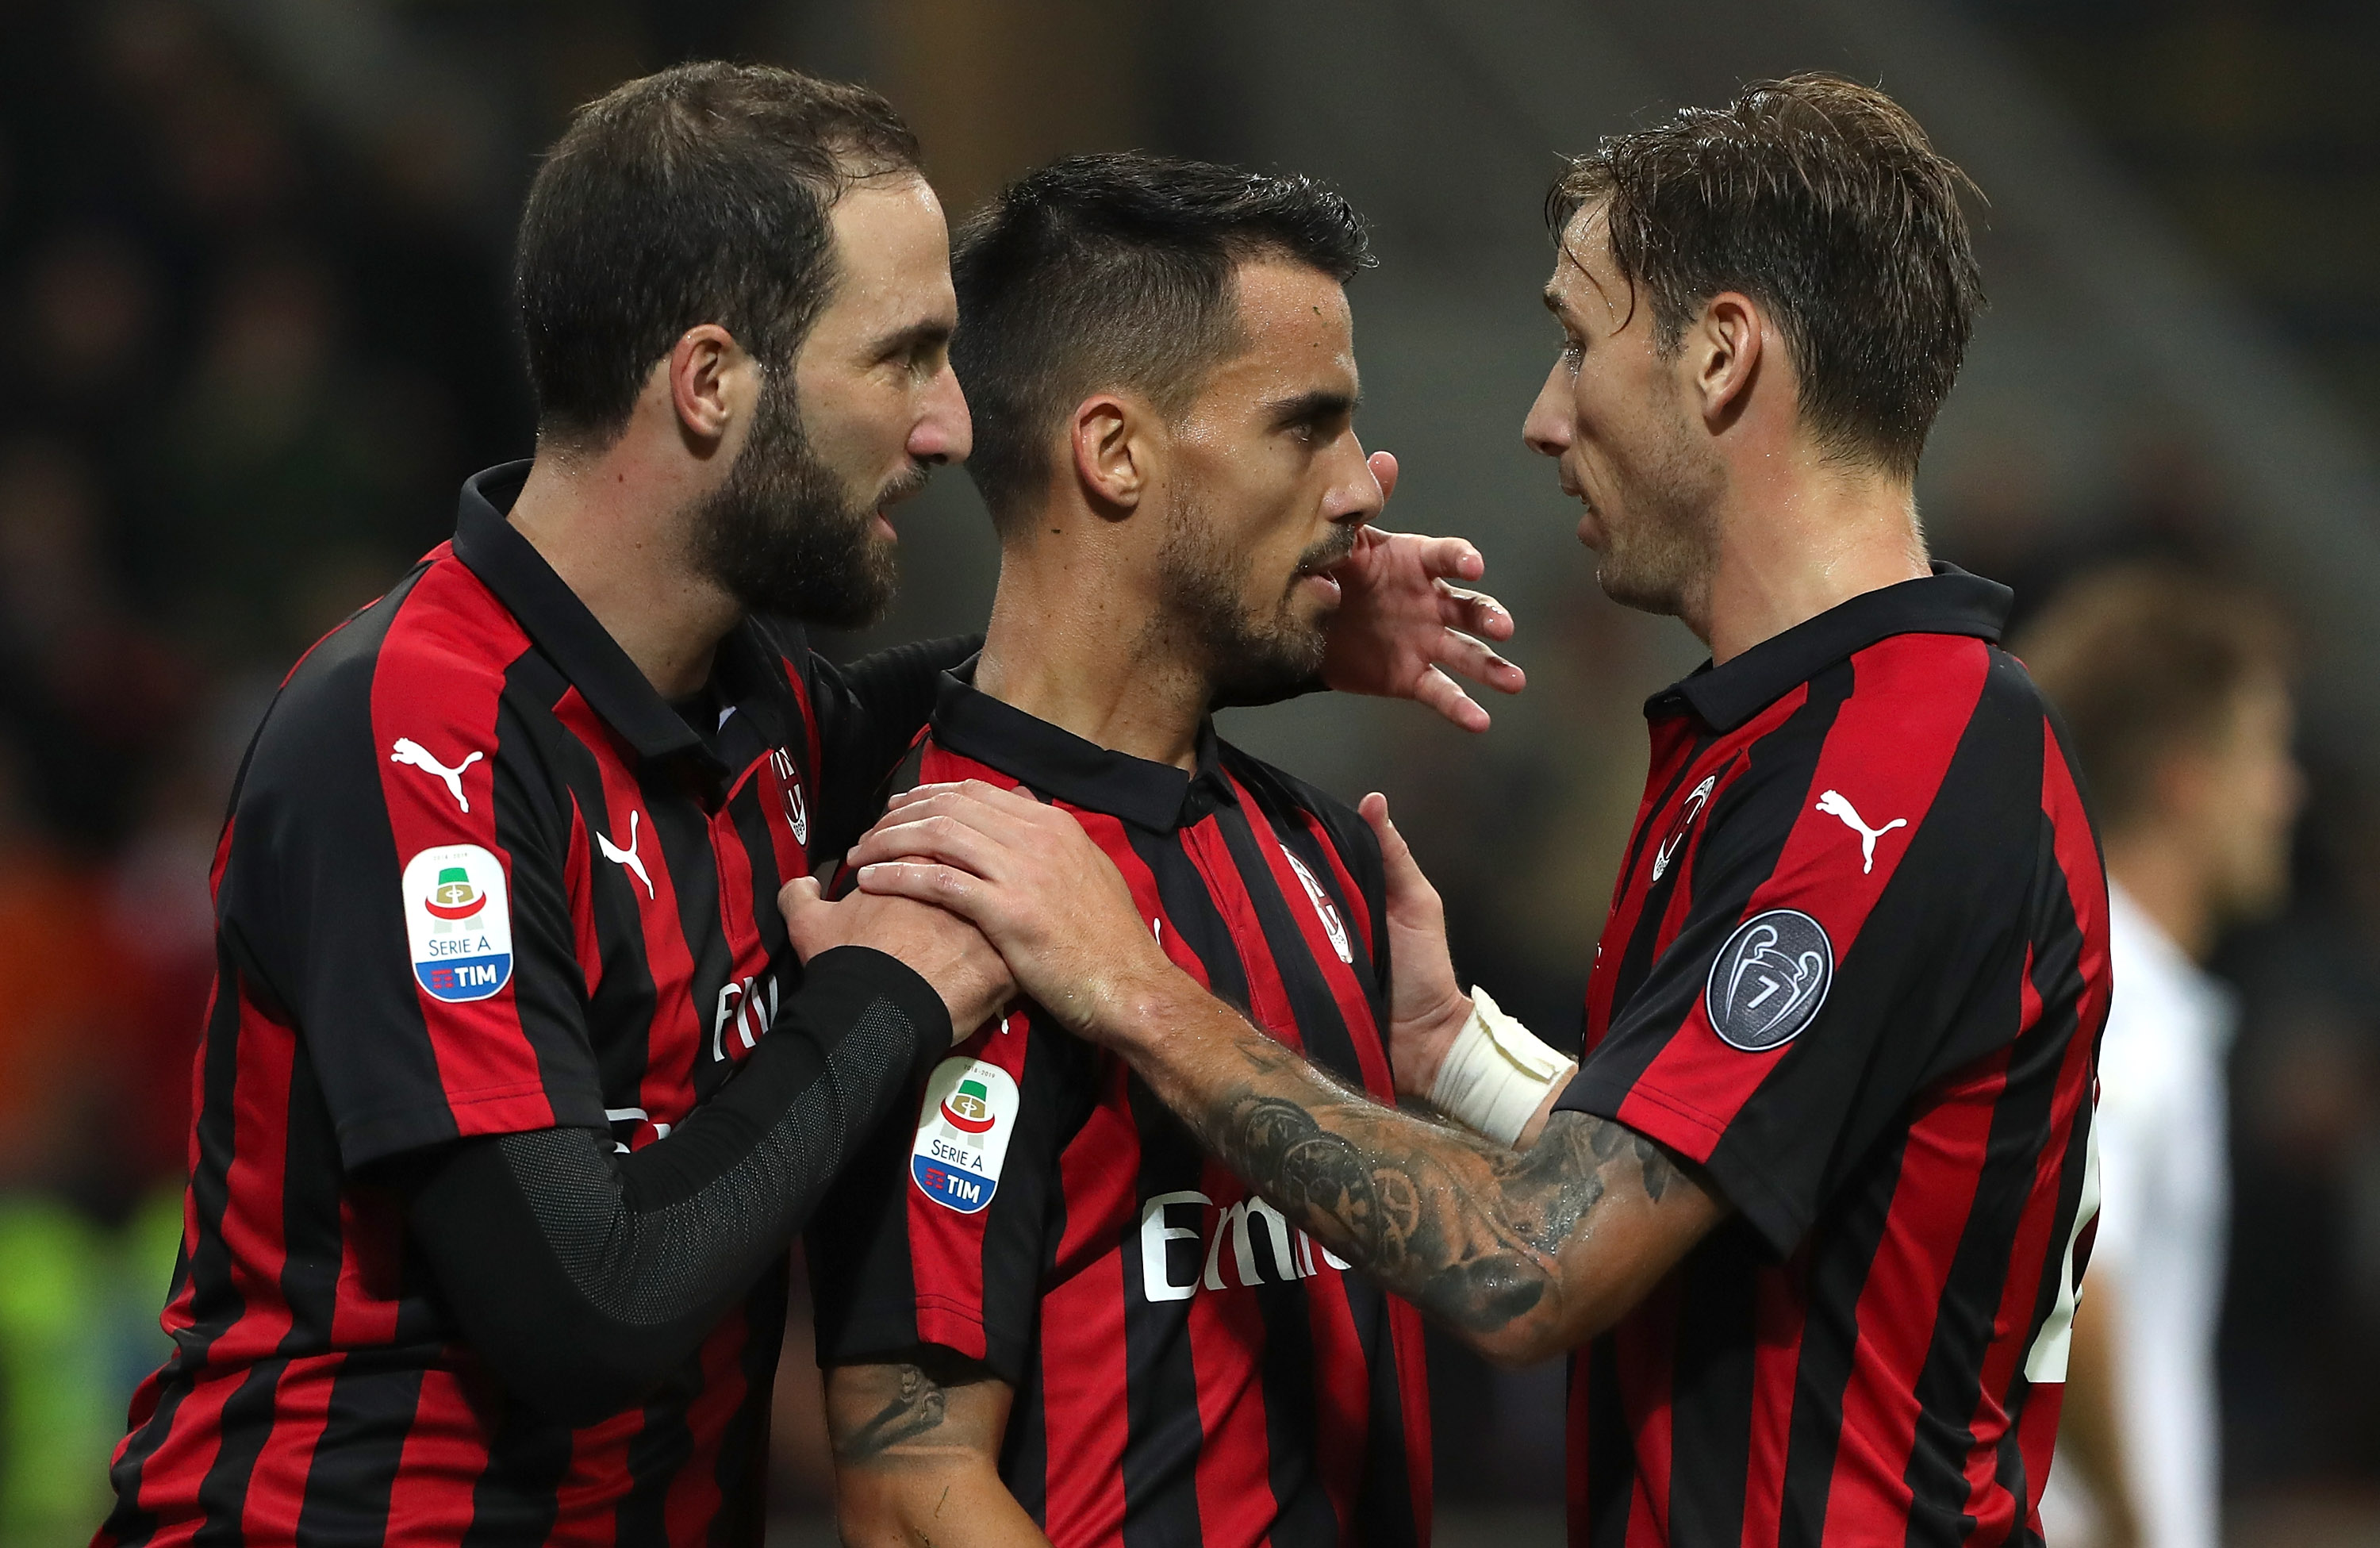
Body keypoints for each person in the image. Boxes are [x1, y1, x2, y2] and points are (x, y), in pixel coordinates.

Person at [95, 63, 1511, 1548]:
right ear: (711, 384)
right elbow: (586, 1305)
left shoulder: (754, 714)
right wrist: (883, 1001)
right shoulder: (416, 735)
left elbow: (1028, 684)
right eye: (900, 360)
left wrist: (1263, 598)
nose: (952, 429)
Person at [823, 75, 2108, 1546]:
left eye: (1576, 342)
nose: (1541, 417)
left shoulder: (1892, 762)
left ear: (1725, 358)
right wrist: (1455, 1056)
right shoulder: (1778, 747)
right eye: (1302, 426)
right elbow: (1737, 1179)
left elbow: (1536, 1264)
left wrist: (1130, 985)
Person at [796, 155, 1504, 1548]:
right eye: (1307, 426)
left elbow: (1537, 1255)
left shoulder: (1314, 850)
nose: (1366, 486)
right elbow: (911, 1495)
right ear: (1112, 452)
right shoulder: (948, 896)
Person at [2019, 567, 2298, 1548]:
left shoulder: (2092, 974)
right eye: (2264, 754)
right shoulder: (2120, 997)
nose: (2286, 794)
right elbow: (2076, 1268)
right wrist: (2143, 1529)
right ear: (2185, 778)